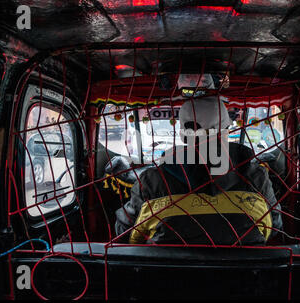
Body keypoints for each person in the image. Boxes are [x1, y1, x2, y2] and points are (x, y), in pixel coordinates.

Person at [114, 95, 282, 245]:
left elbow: (125, 232)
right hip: (248, 275)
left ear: (183, 134)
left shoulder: (151, 179)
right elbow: (275, 227)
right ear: (225, 130)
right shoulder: (256, 176)